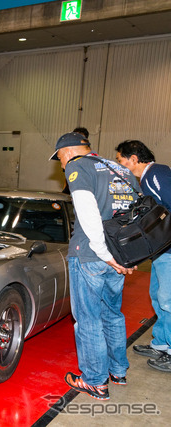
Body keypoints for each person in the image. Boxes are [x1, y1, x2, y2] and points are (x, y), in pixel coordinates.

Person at [51, 132, 139, 400]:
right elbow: (136, 213)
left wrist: (103, 253)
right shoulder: (120, 169)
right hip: (119, 255)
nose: (62, 166)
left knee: (87, 320)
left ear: (67, 152)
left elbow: (88, 213)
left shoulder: (78, 166)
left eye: (60, 160)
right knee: (112, 313)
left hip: (91, 255)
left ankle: (94, 381)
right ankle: (118, 371)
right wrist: (124, 257)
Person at [116, 139, 171, 373]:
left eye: (121, 161)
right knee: (158, 297)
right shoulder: (146, 178)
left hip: (170, 249)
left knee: (169, 300)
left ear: (134, 159)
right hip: (162, 250)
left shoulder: (156, 174)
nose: (120, 165)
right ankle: (161, 343)